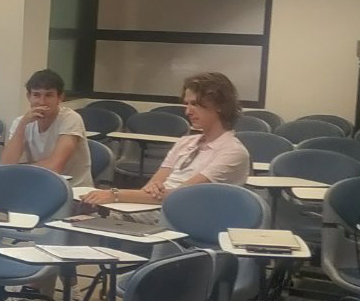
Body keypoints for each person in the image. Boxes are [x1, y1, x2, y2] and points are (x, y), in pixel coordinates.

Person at [83, 71, 250, 206]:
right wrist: (151, 190)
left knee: (97, 216)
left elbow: (181, 196)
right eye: (187, 104)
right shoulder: (186, 142)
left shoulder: (232, 152)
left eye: (195, 104)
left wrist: (114, 195)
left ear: (219, 105)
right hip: (156, 207)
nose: (188, 111)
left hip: (187, 214)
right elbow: (150, 188)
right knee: (86, 211)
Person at [0, 69, 92, 185]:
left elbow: (55, 167)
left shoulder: (70, 119)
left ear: (60, 97)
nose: (42, 102)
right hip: (37, 183)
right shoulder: (21, 121)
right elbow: (6, 165)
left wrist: (18, 170)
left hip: (73, 188)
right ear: (29, 97)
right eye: (36, 95)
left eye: (49, 95)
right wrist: (22, 125)